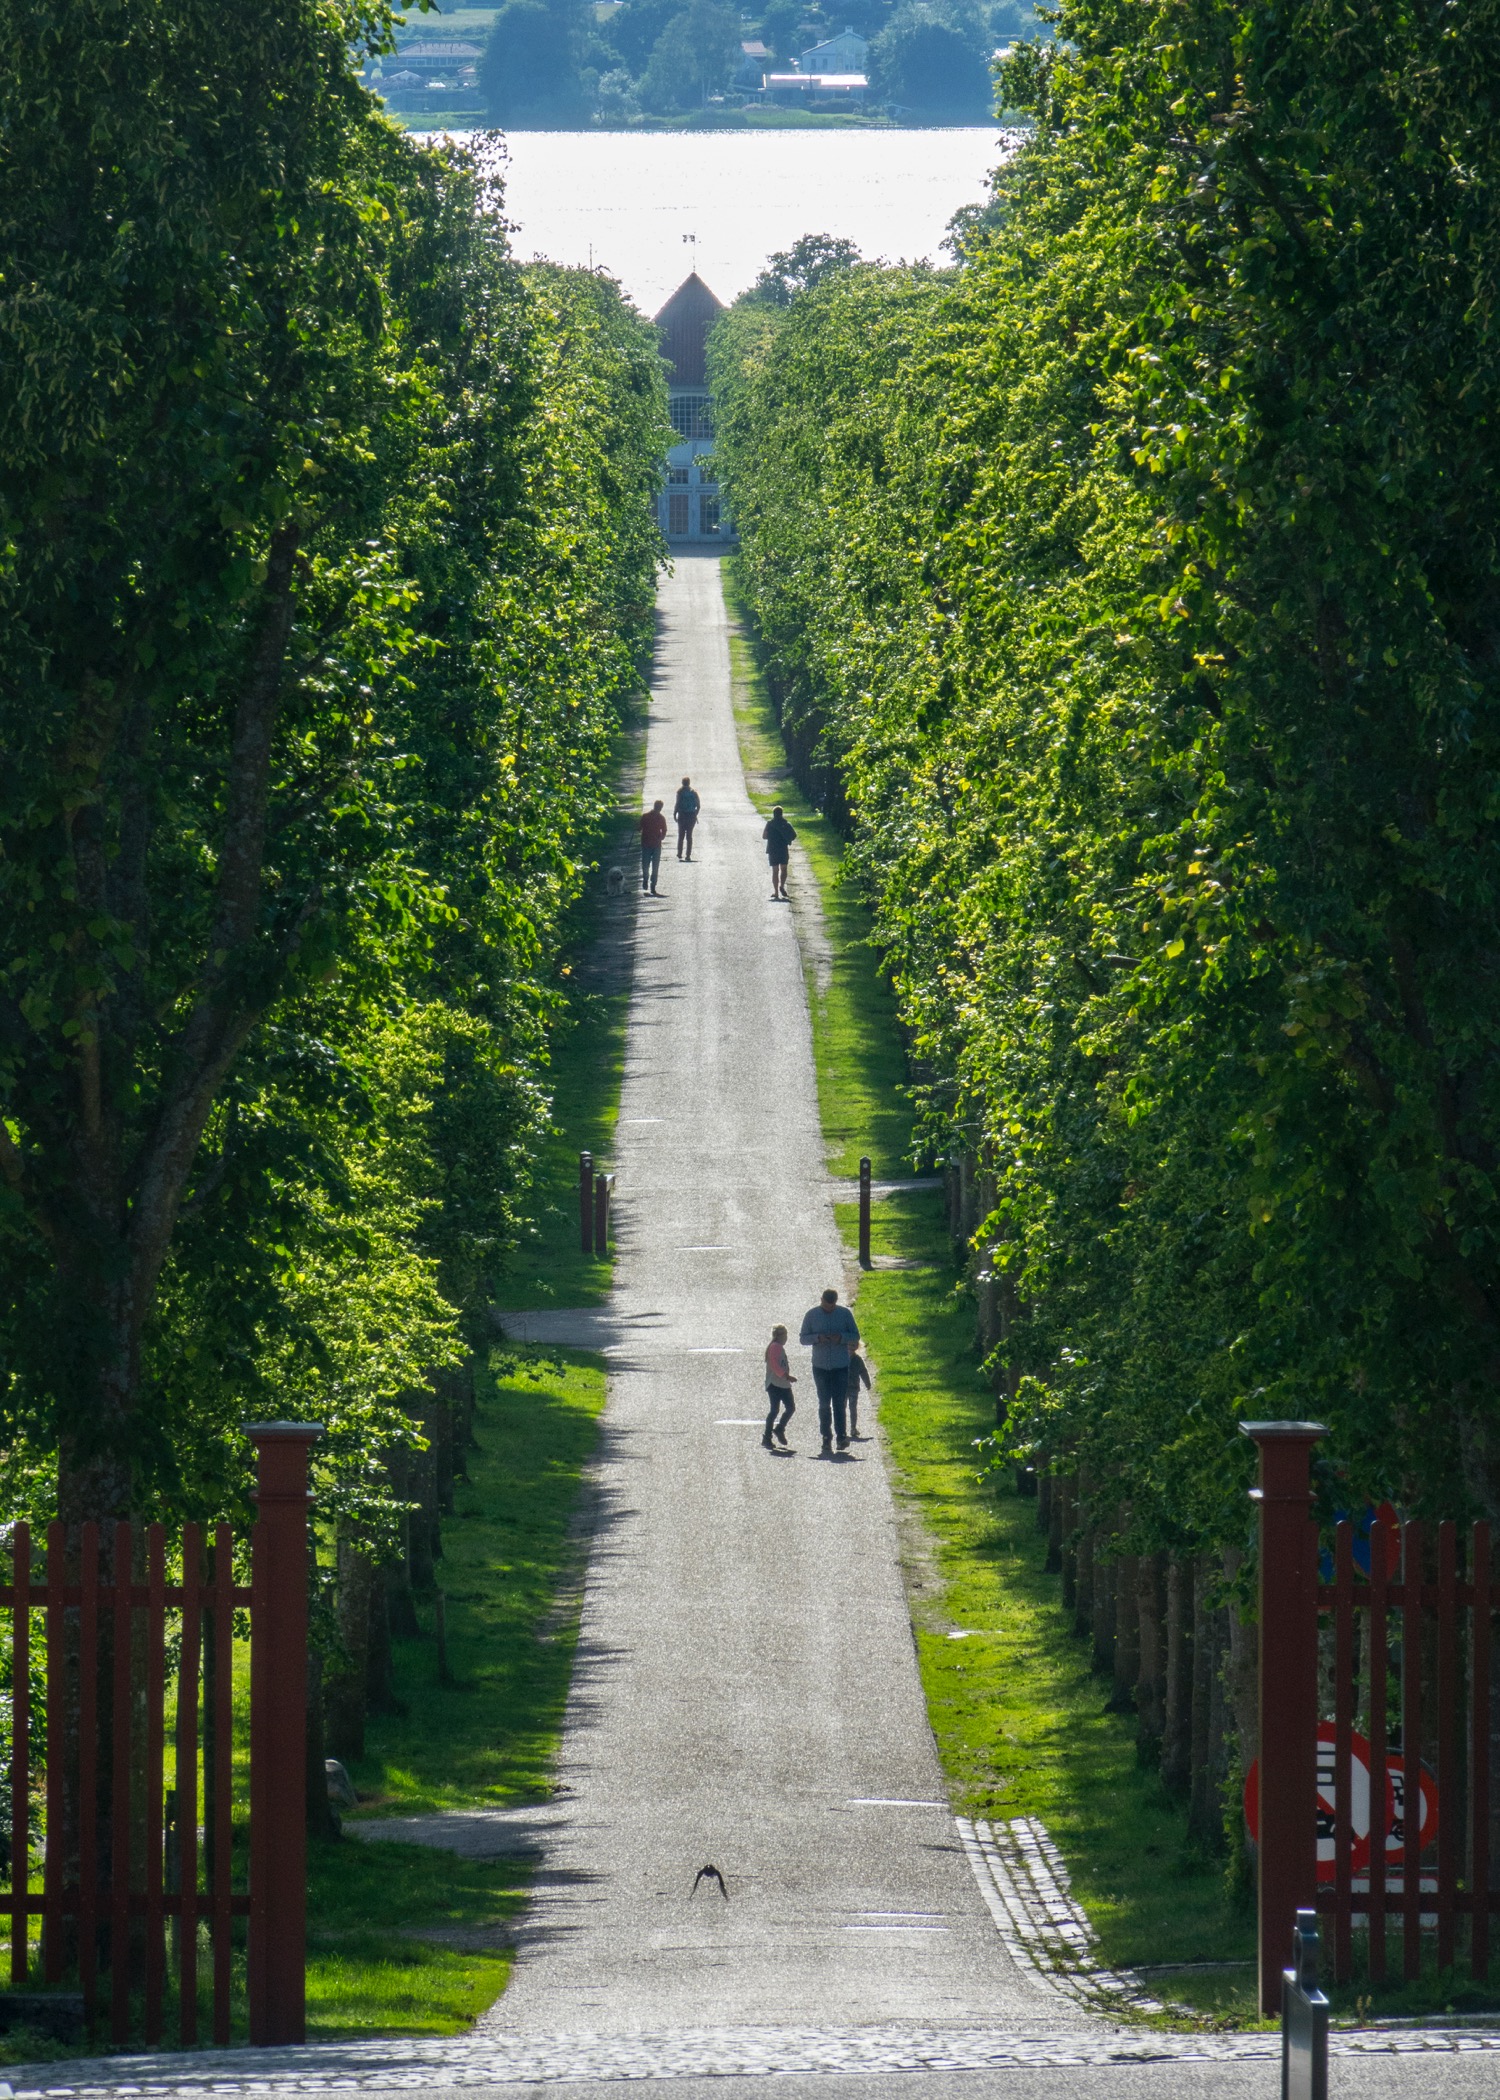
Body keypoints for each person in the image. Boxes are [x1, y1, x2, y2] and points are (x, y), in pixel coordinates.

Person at [799, 1287, 860, 1453]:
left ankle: (841, 1437)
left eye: (831, 1307)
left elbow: (855, 1335)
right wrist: (817, 1338)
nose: (829, 1309)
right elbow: (803, 1338)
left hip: (840, 1365)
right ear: (821, 1300)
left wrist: (841, 1337)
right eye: (826, 1306)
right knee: (824, 1403)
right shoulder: (811, 1315)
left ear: (836, 1302)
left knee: (839, 1403)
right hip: (820, 1366)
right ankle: (826, 1437)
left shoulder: (845, 1314)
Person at [763, 1324, 796, 1448]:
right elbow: (775, 1366)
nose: (786, 1338)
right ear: (780, 1336)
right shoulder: (775, 1347)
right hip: (775, 1384)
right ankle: (767, 1437)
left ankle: (779, 1429)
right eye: (785, 1335)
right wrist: (787, 1376)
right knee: (775, 1410)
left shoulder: (778, 1347)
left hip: (782, 1383)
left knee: (790, 1408)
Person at [763, 805, 796, 901]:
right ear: (782, 813)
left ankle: (776, 892)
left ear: (773, 814)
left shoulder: (770, 824)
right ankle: (782, 885)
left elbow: (764, 836)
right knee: (784, 868)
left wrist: (771, 836)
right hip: (783, 849)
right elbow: (794, 835)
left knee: (775, 870)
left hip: (772, 849)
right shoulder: (786, 824)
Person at [639, 799, 667, 894]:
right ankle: (648, 881)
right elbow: (639, 828)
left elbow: (664, 830)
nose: (658, 809)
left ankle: (651, 884)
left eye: (659, 808)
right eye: (658, 807)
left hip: (653, 845)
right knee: (649, 866)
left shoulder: (657, 818)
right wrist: (661, 838)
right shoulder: (647, 817)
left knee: (651, 866)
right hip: (649, 845)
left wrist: (661, 838)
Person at [848, 1341, 872, 1440]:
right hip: (842, 1388)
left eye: (854, 1345)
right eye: (850, 1344)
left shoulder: (858, 1360)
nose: (851, 1347)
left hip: (853, 1387)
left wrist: (867, 1383)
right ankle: (841, 1429)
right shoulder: (840, 1358)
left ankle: (853, 1428)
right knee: (841, 1408)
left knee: (853, 1408)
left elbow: (863, 1371)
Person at [674, 776, 701, 861]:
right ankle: (688, 855)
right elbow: (698, 806)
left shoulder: (680, 792)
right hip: (691, 815)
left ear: (682, 783)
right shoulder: (694, 792)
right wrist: (695, 814)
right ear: (689, 783)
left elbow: (677, 803)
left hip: (682, 815)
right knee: (689, 836)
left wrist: (675, 813)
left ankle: (679, 853)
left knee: (681, 835)